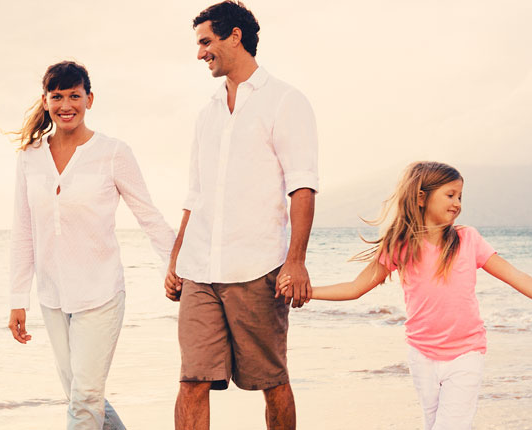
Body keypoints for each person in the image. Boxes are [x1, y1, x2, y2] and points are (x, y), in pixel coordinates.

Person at [280, 161, 532, 429]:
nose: (458, 203)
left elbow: (517, 277)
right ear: (421, 197)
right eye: (450, 194)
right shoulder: (400, 245)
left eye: (460, 196)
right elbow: (355, 288)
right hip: (421, 355)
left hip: (466, 353)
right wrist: (308, 292)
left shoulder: (467, 239)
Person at [162, 2, 318, 429]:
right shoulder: (206, 113)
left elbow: (302, 186)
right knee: (192, 379)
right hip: (199, 270)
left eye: (206, 42)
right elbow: (195, 194)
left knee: (271, 381)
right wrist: (176, 258)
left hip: (257, 267)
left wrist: (296, 260)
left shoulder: (286, 101)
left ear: (235, 36)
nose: (200, 53)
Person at [7, 60, 177, 430]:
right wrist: (18, 298)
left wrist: (177, 265)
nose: (66, 105)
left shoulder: (113, 152)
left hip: (100, 293)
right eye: (57, 97)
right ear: (45, 100)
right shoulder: (30, 156)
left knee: (84, 400)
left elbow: (148, 215)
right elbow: (23, 230)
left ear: (90, 99)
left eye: (74, 96)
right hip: (52, 295)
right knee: (81, 396)